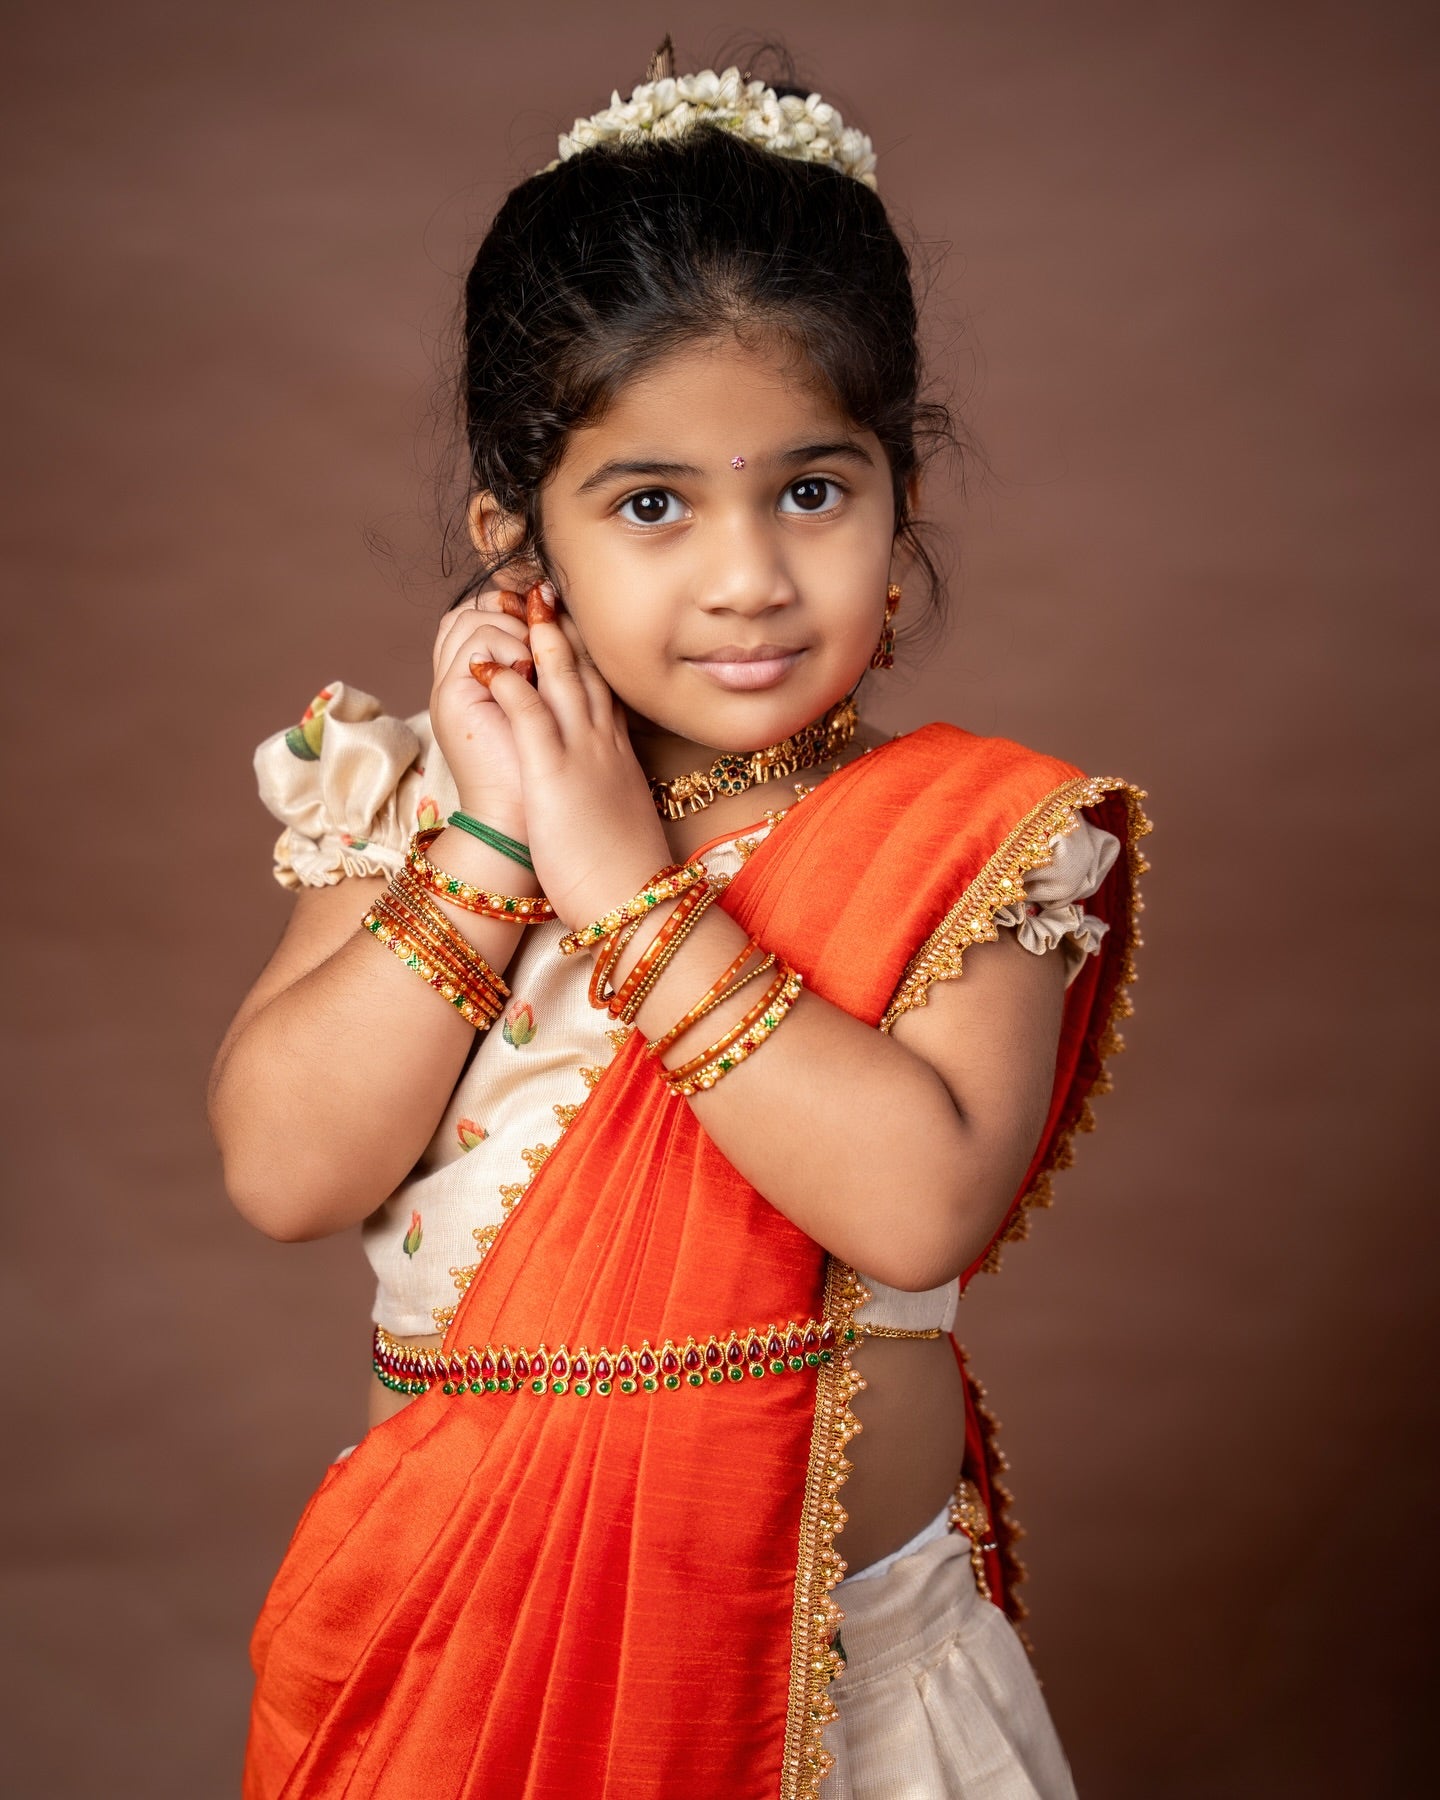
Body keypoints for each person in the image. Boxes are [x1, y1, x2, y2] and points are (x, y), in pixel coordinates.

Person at [209, 47, 1151, 1800]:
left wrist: (625, 888)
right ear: (521, 544)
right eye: (652, 505)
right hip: (458, 1679)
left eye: (811, 489)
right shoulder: (419, 804)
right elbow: (284, 1170)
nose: (746, 576)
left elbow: (920, 1195)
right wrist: (501, 837)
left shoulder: (973, 844)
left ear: (900, 504)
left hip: (849, 1703)